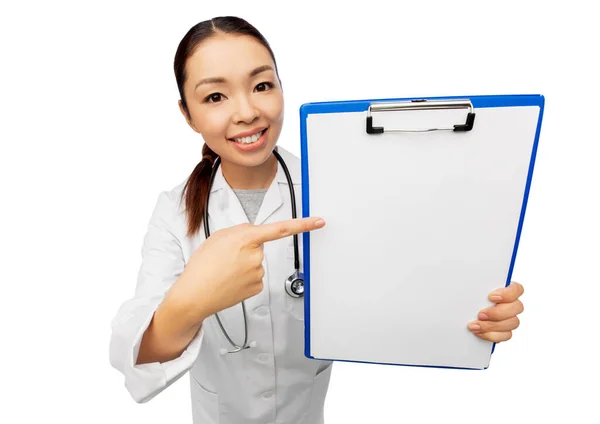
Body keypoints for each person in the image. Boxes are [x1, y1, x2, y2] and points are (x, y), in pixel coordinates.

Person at [109, 16, 526, 424]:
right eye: (215, 97)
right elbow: (138, 353)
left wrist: (470, 314)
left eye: (262, 85)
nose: (247, 112)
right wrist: (194, 299)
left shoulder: (335, 187)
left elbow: (398, 285)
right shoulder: (175, 210)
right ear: (188, 114)